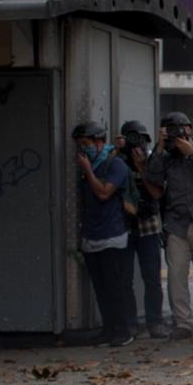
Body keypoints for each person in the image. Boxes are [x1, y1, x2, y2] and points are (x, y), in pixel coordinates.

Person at [146, 111, 193, 340]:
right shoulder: (166, 157)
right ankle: (183, 323)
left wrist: (191, 156)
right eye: (170, 130)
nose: (176, 133)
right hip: (176, 223)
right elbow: (153, 178)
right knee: (176, 276)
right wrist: (160, 147)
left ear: (189, 129)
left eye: (180, 128)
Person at [74, 123, 135, 347]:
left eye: (87, 145)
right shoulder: (87, 166)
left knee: (114, 286)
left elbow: (103, 193)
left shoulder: (114, 164)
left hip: (113, 235)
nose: (83, 150)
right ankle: (108, 329)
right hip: (92, 234)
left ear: (100, 142)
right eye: (80, 146)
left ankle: (124, 329)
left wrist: (88, 171)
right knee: (100, 287)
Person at [116, 120, 167, 339]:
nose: (137, 145)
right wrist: (115, 151)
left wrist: (141, 168)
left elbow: (157, 193)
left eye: (141, 140)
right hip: (125, 224)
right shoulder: (117, 160)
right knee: (124, 278)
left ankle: (154, 321)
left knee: (152, 277)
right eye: (132, 139)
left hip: (149, 224)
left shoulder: (152, 160)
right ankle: (130, 323)